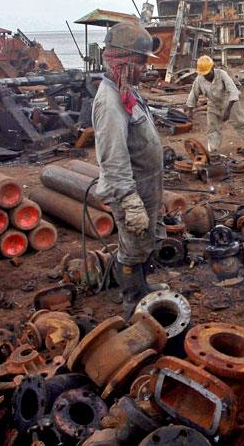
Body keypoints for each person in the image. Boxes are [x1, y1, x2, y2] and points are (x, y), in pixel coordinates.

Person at [93, 22, 168, 318]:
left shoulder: (127, 91)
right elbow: (113, 156)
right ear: (122, 63)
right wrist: (128, 199)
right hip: (132, 189)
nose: (144, 69)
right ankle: (132, 303)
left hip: (147, 185)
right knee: (132, 248)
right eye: (140, 63)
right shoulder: (110, 102)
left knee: (145, 241)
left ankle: (142, 287)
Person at [185, 55, 244, 156]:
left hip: (229, 102)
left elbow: (233, 90)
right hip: (213, 104)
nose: (206, 76)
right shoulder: (199, 79)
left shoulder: (222, 74)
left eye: (207, 73)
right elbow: (193, 95)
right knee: (213, 128)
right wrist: (190, 112)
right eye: (204, 74)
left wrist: (228, 110)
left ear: (213, 68)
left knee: (241, 123)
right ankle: (213, 151)